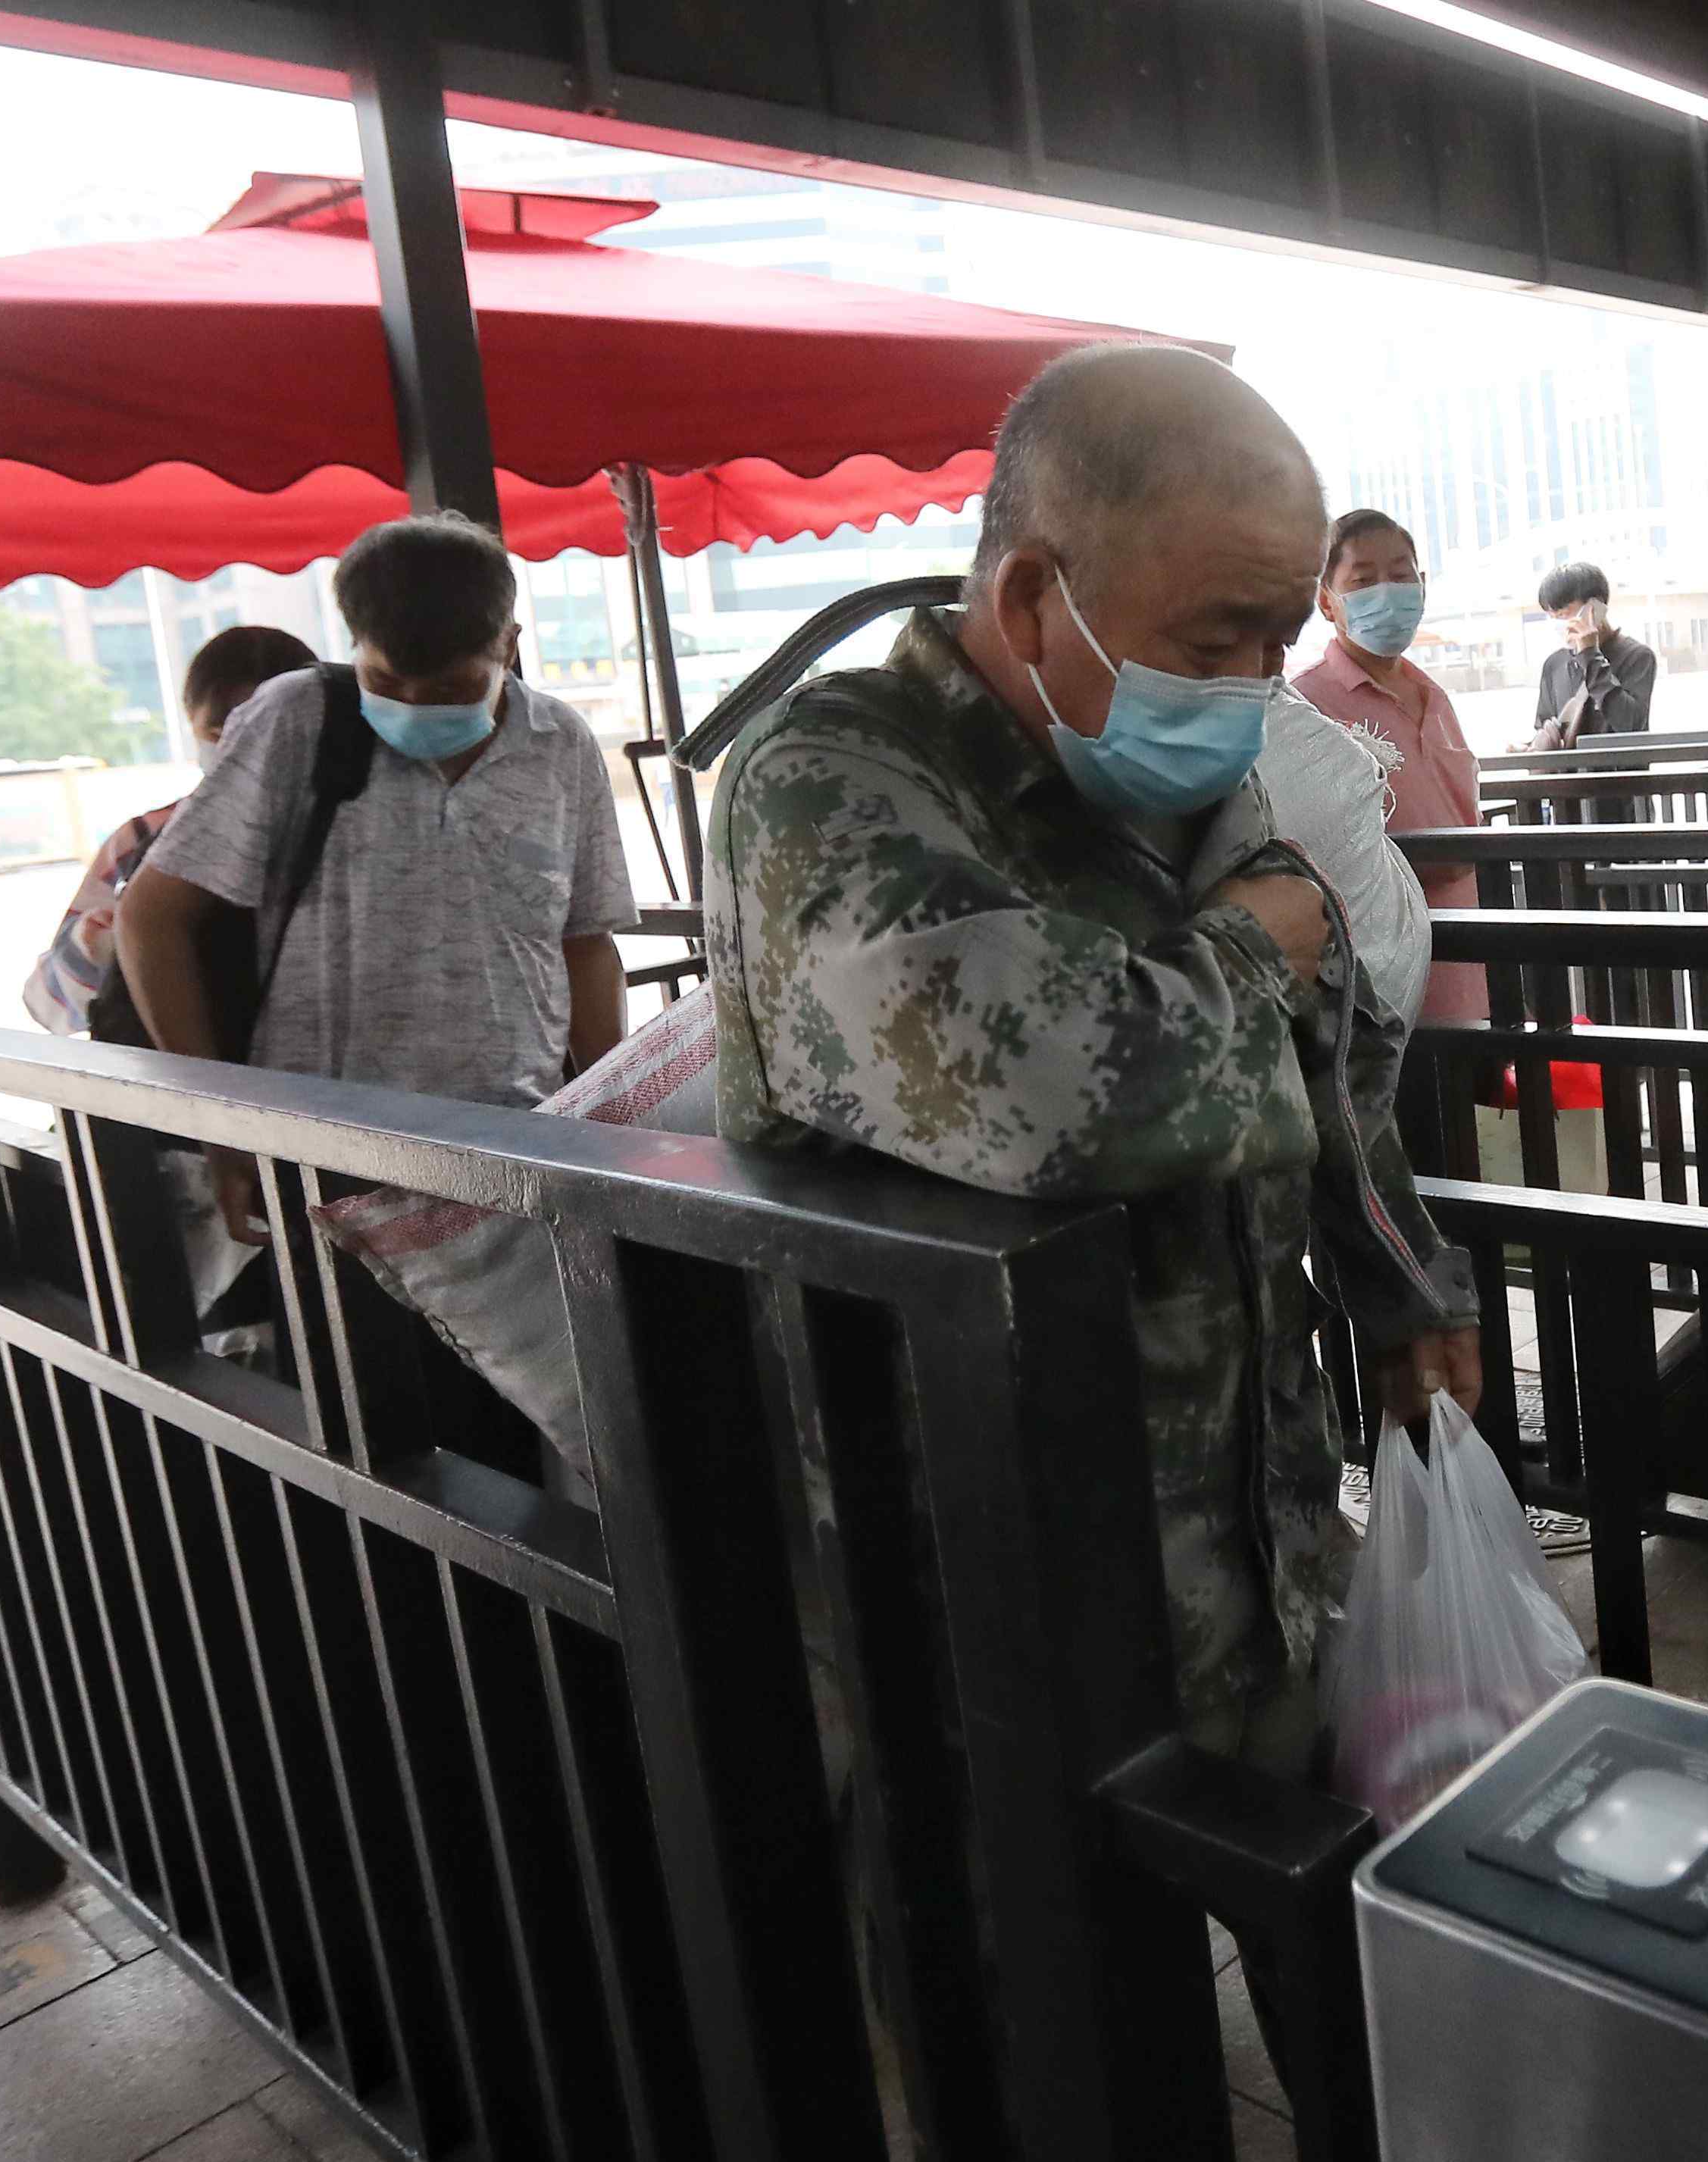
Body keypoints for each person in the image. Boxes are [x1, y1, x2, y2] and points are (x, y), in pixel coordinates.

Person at [702, 342, 1481, 1772]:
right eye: (1215, 641)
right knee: (1014, 1968)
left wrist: (1399, 1276)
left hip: (1257, 1512)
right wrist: (1250, 945)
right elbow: (1056, 1093)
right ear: (1028, 597)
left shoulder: (1181, 754)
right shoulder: (834, 782)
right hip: (984, 1579)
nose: (1256, 688)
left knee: (1319, 1906)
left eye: (1272, 642)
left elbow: (1331, 1058)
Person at [120, 515, 635, 1237]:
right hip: (326, 1153)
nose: (416, 707)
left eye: (455, 686)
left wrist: (612, 1121)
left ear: (509, 646)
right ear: (353, 647)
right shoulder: (297, 719)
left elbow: (584, 940)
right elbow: (151, 918)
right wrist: (218, 1126)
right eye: (385, 680)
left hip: (519, 1145)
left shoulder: (561, 745)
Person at [23, 623, 314, 1035]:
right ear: (193, 728)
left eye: (265, 734)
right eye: (222, 736)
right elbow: (46, 999)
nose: (248, 755)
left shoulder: (358, 827)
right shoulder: (143, 839)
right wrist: (103, 945)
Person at [1293, 508, 1489, 1023]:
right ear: (1327, 602)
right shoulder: (1306, 706)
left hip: (1470, 957)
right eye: (1363, 580)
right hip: (1384, 979)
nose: (1388, 591)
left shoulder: (1435, 697)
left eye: (1401, 576)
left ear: (1422, 585)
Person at [1527, 562, 1657, 748]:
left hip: (1620, 776)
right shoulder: (1554, 664)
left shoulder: (1637, 657)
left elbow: (1632, 726)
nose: (1559, 624)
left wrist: (1590, 656)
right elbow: (1547, 729)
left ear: (1595, 608)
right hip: (1568, 776)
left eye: (1563, 614)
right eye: (1553, 617)